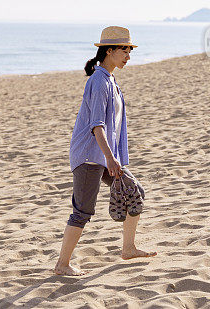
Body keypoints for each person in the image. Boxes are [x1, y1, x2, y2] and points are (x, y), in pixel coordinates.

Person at [53, 26, 157, 276]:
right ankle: (62, 264)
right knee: (83, 211)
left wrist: (113, 158)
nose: (128, 56)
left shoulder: (110, 79)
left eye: (130, 50)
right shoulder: (99, 81)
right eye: (125, 50)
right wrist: (110, 159)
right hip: (90, 155)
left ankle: (128, 248)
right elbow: (96, 125)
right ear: (109, 51)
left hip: (105, 154)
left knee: (134, 191)